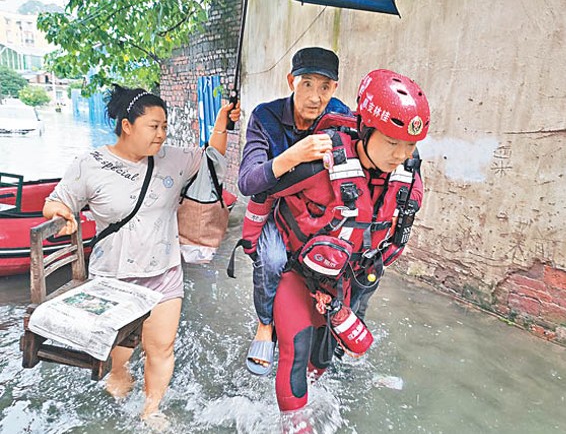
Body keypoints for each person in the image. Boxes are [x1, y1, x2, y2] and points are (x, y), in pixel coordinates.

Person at [42, 85, 240, 423]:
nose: (162, 134)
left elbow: (211, 159)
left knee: (161, 348)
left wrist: (221, 122)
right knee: (121, 352)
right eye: (153, 126)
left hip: (164, 273)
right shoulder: (90, 164)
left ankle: (151, 410)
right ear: (127, 125)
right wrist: (62, 214)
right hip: (113, 277)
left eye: (165, 126)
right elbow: (55, 201)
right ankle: (118, 372)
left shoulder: (172, 158)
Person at [264, 69, 430, 420]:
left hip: (348, 280)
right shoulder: (319, 165)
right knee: (295, 351)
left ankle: (319, 381)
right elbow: (260, 191)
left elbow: (391, 231)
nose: (401, 154)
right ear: (366, 129)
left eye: (410, 145)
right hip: (300, 274)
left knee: (323, 359)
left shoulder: (406, 176)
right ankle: (292, 417)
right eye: (391, 141)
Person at [236, 47, 352, 375]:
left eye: (325, 87)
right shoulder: (265, 117)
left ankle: (334, 325)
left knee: (349, 263)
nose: (316, 97)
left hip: (323, 213)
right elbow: (247, 181)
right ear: (291, 82)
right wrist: (294, 155)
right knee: (271, 260)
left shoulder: (344, 118)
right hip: (277, 210)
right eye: (307, 84)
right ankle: (265, 323)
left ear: (335, 88)